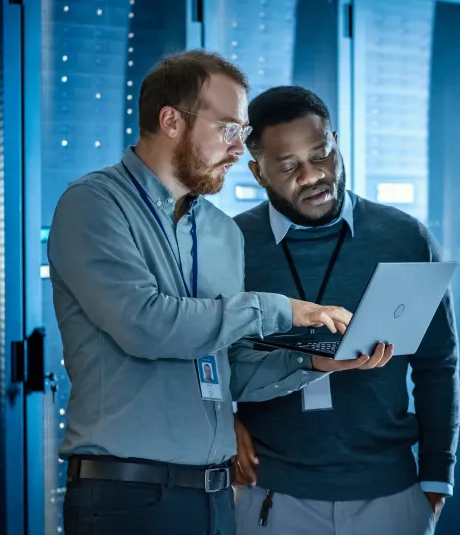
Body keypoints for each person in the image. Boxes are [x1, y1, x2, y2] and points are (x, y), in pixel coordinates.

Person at [48, 52, 387, 535]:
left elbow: (229, 369)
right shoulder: (94, 205)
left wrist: (313, 363)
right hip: (127, 497)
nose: (237, 150)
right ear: (170, 120)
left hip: (214, 498)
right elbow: (147, 325)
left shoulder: (222, 233)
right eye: (228, 129)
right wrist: (282, 309)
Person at [231, 86, 460, 535]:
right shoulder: (233, 246)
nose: (313, 175)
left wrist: (436, 477)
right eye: (289, 166)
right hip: (272, 496)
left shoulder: (403, 237)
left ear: (336, 141)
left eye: (322, 154)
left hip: (390, 495)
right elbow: (206, 356)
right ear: (259, 173)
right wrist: (226, 420)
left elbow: (438, 365)